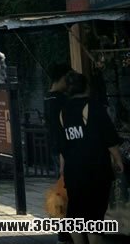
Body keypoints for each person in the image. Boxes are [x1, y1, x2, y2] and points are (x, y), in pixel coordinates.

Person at [59, 71, 123, 244]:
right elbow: (110, 138)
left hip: (73, 172)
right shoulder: (94, 107)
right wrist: (118, 160)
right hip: (95, 170)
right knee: (94, 217)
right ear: (87, 87)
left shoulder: (63, 111)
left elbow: (62, 145)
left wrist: (63, 169)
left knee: (75, 214)